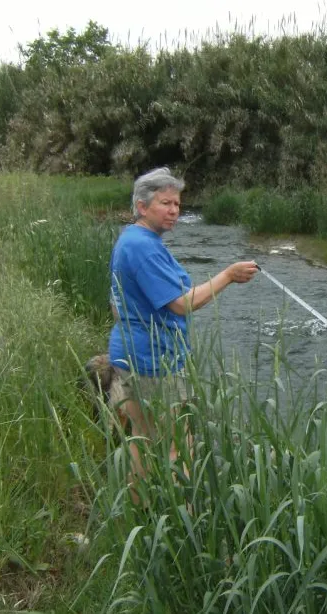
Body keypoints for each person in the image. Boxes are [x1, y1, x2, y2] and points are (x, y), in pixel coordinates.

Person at [108, 166, 257, 498]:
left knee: (142, 438)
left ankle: (142, 510)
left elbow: (117, 305)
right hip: (153, 362)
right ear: (142, 206)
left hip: (128, 353)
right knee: (179, 445)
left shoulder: (131, 239)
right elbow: (183, 304)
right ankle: (186, 522)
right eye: (165, 203)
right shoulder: (144, 246)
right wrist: (229, 275)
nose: (174, 210)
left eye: (177, 204)